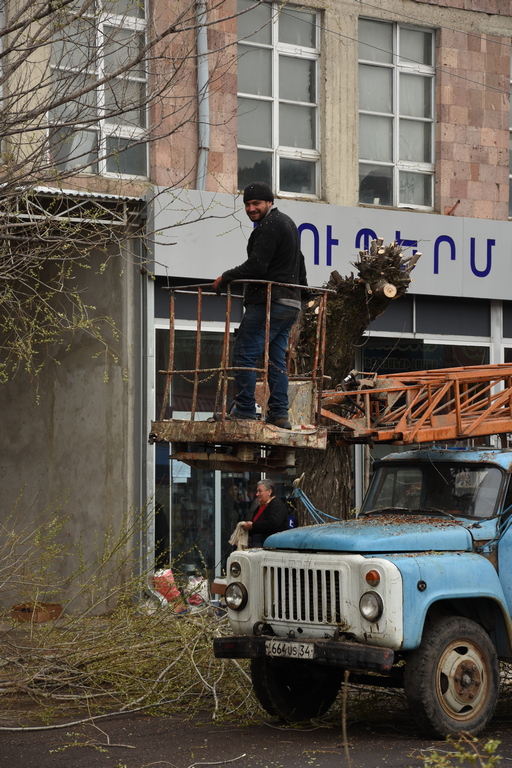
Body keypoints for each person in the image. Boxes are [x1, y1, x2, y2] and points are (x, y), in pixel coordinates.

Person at [213, 182, 308, 430]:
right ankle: (279, 413)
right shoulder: (288, 224)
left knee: (244, 354)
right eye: (247, 204)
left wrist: (226, 277)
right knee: (276, 361)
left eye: (256, 203)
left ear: (269, 202)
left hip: (269, 303)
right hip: (289, 304)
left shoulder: (268, 226)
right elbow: (300, 262)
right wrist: (303, 296)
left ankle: (245, 409)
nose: (251, 208)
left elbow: (256, 266)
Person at [240, 478, 288, 547]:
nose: (257, 494)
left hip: (273, 546)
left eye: (260, 491)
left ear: (269, 492)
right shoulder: (261, 507)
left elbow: (273, 524)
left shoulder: (277, 505)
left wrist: (253, 525)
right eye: (257, 491)